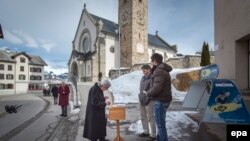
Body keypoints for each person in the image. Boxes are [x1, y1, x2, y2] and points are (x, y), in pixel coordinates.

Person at [144, 53, 172, 141]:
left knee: (160, 125)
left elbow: (157, 88)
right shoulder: (161, 69)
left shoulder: (159, 71)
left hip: (161, 101)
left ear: (155, 61)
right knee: (160, 124)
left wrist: (148, 93)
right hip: (163, 100)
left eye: (151, 60)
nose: (150, 62)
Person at [138, 64, 156, 141]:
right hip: (141, 99)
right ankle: (146, 131)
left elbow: (152, 89)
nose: (143, 72)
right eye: (142, 70)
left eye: (144, 70)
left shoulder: (152, 78)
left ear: (149, 69)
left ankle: (153, 134)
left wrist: (148, 98)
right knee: (143, 116)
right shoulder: (143, 78)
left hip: (149, 100)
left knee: (151, 117)